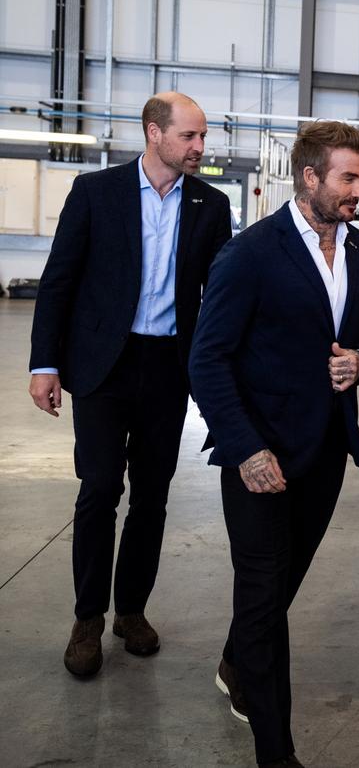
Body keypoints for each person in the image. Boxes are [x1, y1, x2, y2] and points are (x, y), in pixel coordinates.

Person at [189, 121, 359, 768]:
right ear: (309, 176)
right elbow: (207, 358)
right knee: (262, 597)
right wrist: (246, 448)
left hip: (324, 452)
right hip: (259, 456)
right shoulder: (252, 252)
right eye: (348, 177)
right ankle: (276, 754)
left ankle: (236, 660)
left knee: (280, 586)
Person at [29, 92, 232, 677]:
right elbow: (59, 282)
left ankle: (131, 610)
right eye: (189, 137)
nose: (199, 147)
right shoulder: (96, 193)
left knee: (153, 494)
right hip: (100, 364)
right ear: (154, 133)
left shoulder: (209, 204)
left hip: (169, 365)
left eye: (202, 137)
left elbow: (219, 296)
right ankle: (87, 618)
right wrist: (45, 364)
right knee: (98, 490)